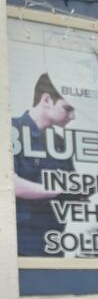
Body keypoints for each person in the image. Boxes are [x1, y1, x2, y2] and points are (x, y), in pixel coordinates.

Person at [10, 72, 79, 257]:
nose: (73, 116)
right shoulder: (10, 130)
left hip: (53, 244)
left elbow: (71, 184)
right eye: (68, 108)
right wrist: (58, 190)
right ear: (47, 99)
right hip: (19, 248)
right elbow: (10, 183)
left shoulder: (59, 143)